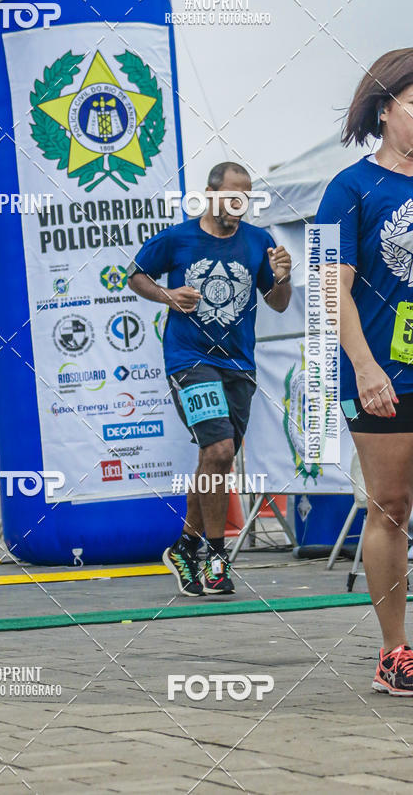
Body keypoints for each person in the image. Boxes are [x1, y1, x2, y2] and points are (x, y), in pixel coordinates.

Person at [127, 162, 292, 596]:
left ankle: (184, 546)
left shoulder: (259, 241)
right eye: (231, 196)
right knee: (218, 448)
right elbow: (135, 274)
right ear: (210, 194)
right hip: (189, 358)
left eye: (245, 198)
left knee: (216, 459)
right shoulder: (179, 238)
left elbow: (276, 303)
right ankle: (216, 558)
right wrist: (166, 294)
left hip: (239, 365)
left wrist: (282, 278)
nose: (237, 206)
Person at [316, 48, 413, 696]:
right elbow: (331, 286)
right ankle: (393, 651)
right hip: (383, 373)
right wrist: (364, 365)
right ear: (387, 109)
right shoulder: (348, 189)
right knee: (392, 508)